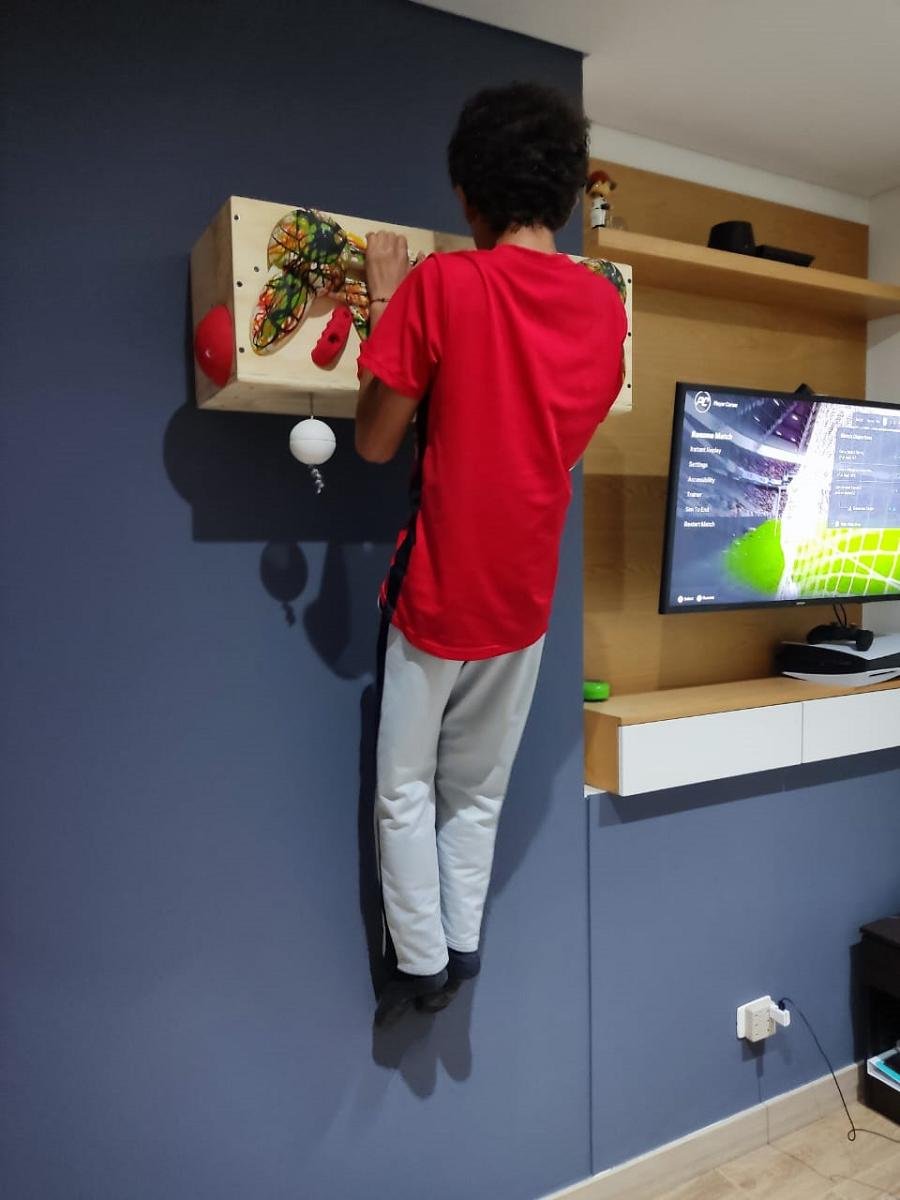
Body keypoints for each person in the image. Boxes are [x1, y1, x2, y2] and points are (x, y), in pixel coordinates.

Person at [356, 82, 627, 1026]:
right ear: (565, 193)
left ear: (468, 195)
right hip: (524, 596)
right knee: (478, 792)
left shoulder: (442, 286)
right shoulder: (604, 309)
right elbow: (563, 437)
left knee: (405, 788)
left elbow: (375, 441)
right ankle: (461, 949)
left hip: (439, 588)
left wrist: (387, 301)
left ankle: (421, 964)